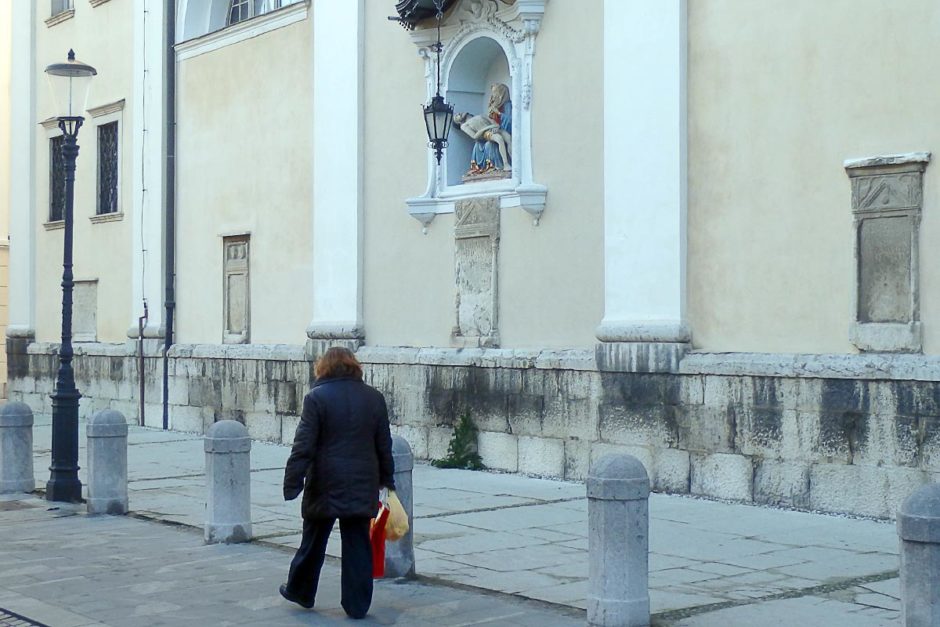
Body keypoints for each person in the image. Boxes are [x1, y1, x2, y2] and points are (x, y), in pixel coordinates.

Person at [280, 347, 395, 620]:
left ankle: (301, 590)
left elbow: (303, 446)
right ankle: (357, 605)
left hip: (324, 483)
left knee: (313, 541)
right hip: (362, 483)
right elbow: (383, 444)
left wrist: (292, 482)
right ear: (354, 367)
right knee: (358, 545)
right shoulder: (374, 398)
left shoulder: (317, 398)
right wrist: (387, 480)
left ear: (324, 368)